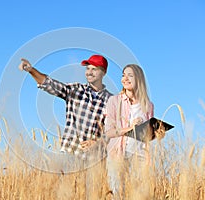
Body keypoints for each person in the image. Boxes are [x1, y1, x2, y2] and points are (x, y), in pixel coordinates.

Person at [18, 55, 112, 155]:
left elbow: (114, 131)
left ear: (104, 72)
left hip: (95, 158)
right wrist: (31, 70)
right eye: (88, 68)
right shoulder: (75, 90)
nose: (89, 72)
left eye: (94, 69)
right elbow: (49, 83)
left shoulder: (111, 100)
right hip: (70, 154)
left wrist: (98, 143)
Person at [104, 64, 154, 199]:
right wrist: (130, 128)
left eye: (130, 75)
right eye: (123, 75)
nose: (125, 78)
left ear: (139, 79)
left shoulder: (148, 105)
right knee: (118, 195)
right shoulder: (114, 101)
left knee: (138, 195)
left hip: (141, 157)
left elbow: (148, 136)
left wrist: (158, 133)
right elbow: (109, 132)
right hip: (118, 155)